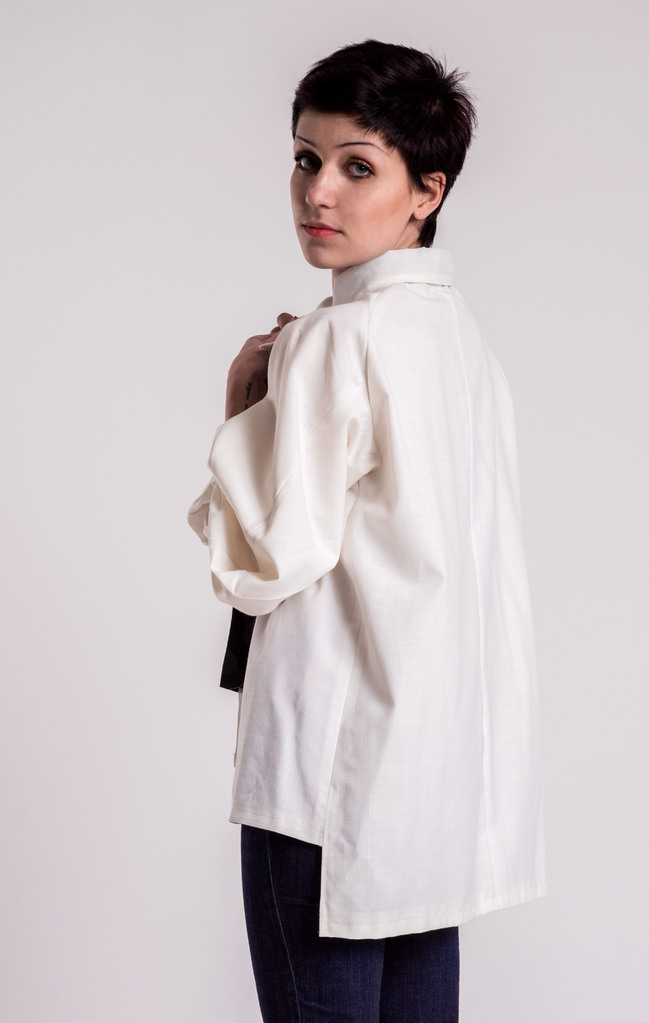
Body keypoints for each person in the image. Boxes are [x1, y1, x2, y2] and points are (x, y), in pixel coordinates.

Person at [188, 38, 547, 1023]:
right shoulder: (460, 341)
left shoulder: (335, 337)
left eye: (357, 166)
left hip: (325, 779)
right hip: (431, 783)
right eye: (306, 158)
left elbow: (268, 563)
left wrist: (240, 414)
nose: (318, 192)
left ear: (427, 190)